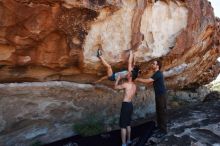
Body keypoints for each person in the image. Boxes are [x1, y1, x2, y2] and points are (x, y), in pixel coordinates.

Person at [135, 60, 167, 135]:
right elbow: (150, 81)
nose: (152, 65)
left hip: (161, 95)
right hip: (159, 95)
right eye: (152, 63)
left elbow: (148, 81)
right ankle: (159, 127)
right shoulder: (156, 73)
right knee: (158, 111)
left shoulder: (158, 73)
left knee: (162, 112)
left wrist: (137, 79)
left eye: (154, 64)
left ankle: (163, 130)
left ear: (158, 66)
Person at [114, 72, 137, 146]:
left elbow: (115, 87)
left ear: (130, 77)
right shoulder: (134, 85)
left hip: (126, 105)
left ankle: (124, 144)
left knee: (123, 126)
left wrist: (117, 79)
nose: (127, 74)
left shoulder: (126, 84)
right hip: (130, 105)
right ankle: (129, 140)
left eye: (128, 74)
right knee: (128, 124)